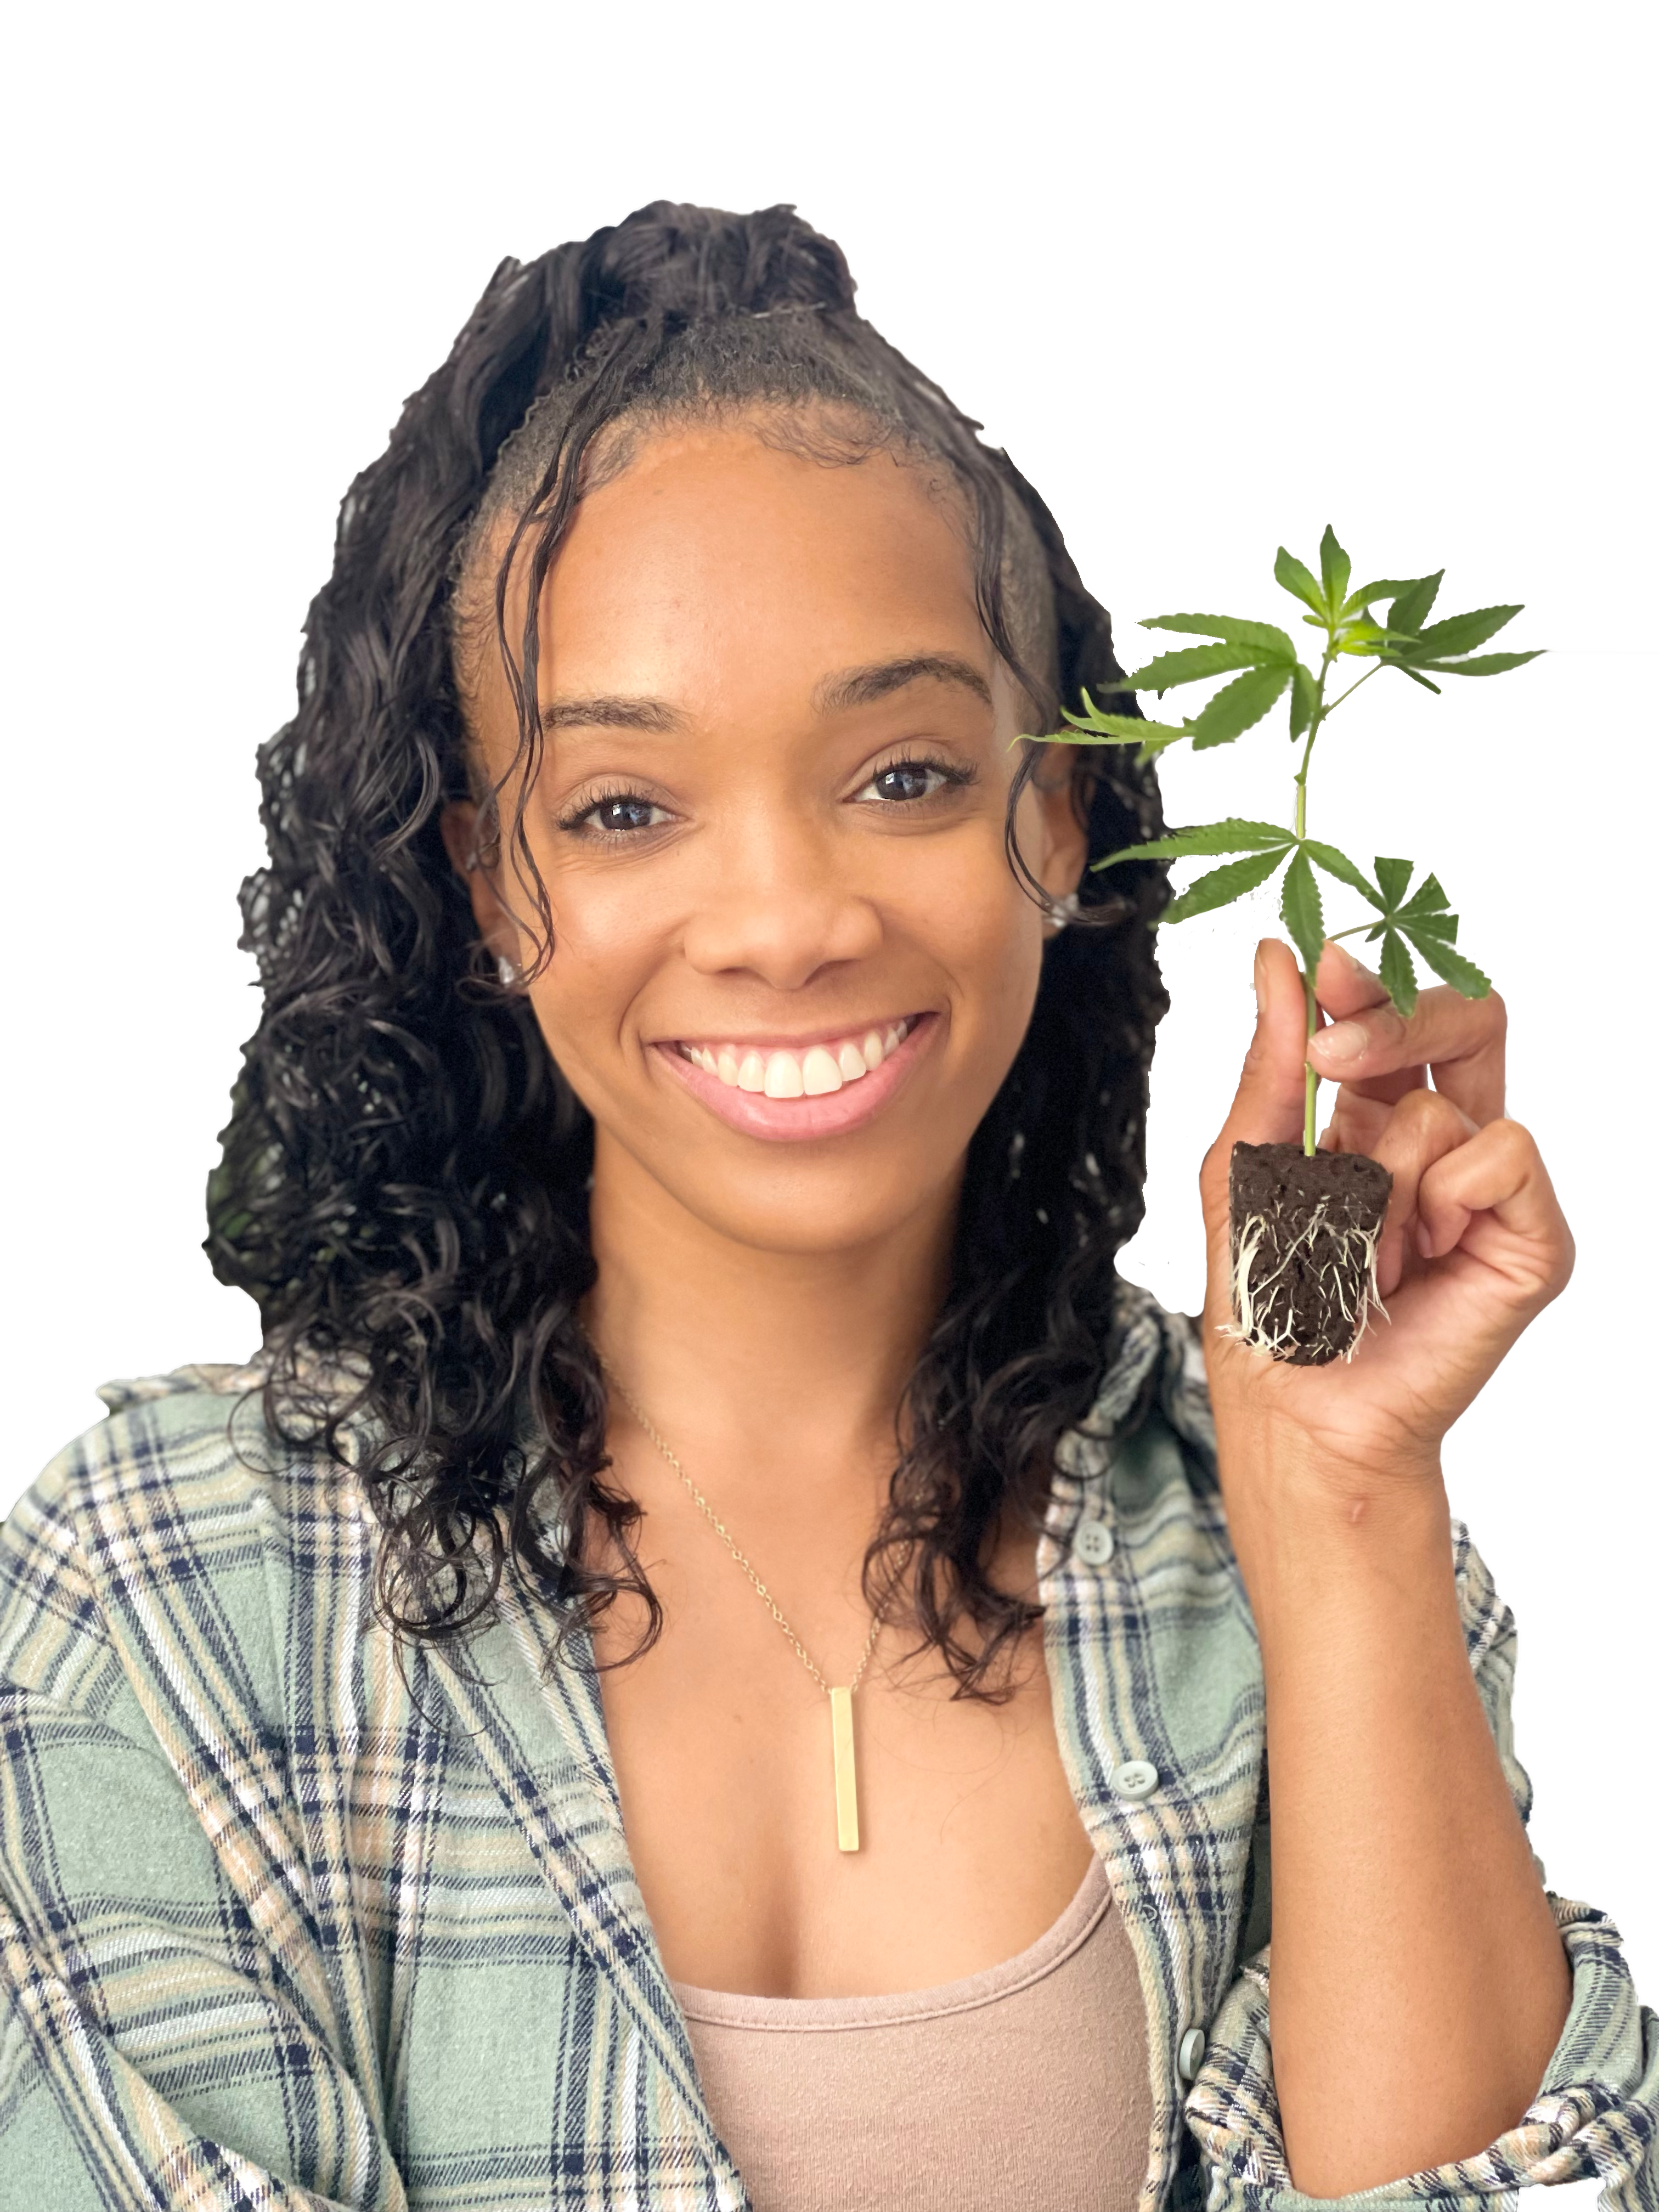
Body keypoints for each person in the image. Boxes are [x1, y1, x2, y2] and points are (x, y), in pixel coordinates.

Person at [1, 201, 1651, 2212]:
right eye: (625, 807)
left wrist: (1342, 1491)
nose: (789, 922)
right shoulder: (164, 1602)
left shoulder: (1291, 1550)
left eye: (904, 778)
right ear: (494, 889)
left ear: (1054, 812)